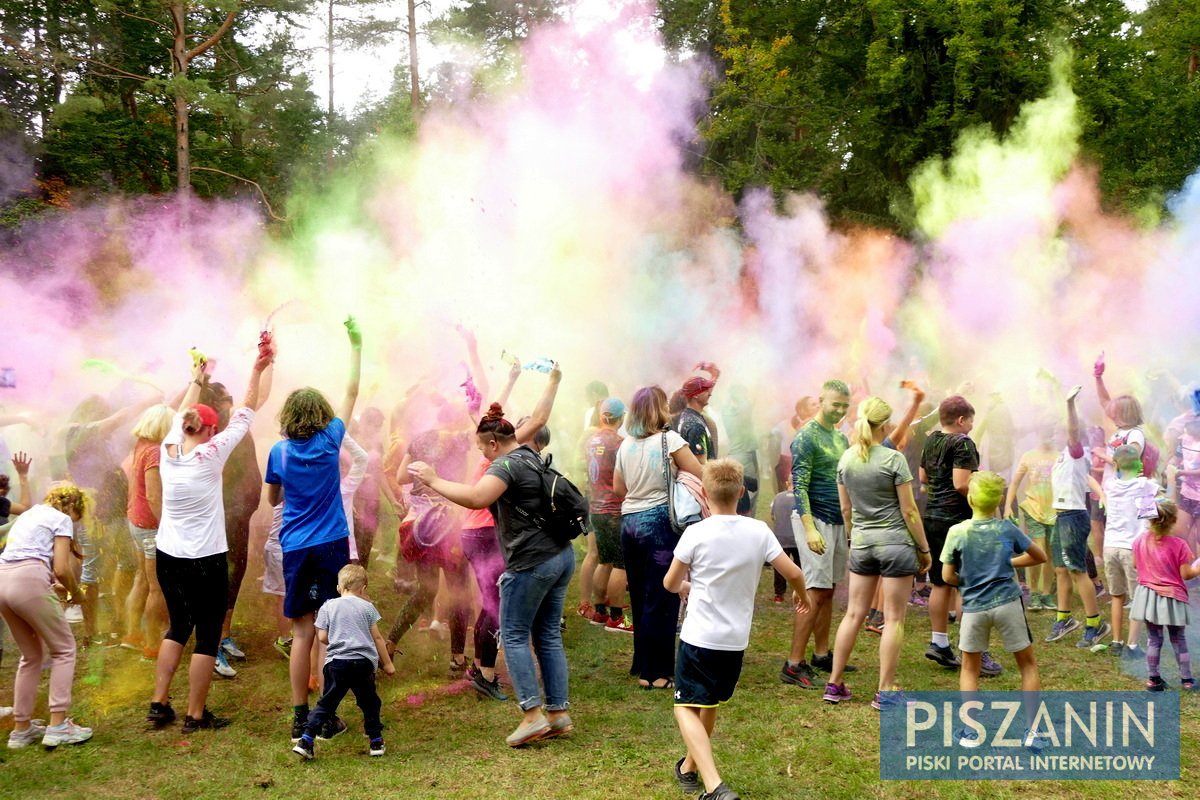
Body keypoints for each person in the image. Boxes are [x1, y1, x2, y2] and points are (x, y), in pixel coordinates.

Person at [410, 391, 579, 749]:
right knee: (546, 635)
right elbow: (540, 414)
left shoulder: (503, 465)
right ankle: (558, 714)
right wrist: (554, 381)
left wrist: (432, 478)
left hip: (532, 561)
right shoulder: (528, 454)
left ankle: (532, 716)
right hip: (561, 555)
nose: (480, 455)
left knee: (515, 634)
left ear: (491, 443)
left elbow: (476, 498)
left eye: (481, 448)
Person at [147, 340, 274, 732]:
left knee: (177, 627)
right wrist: (257, 368)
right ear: (211, 429)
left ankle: (158, 703)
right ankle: (195, 714)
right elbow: (249, 408)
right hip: (206, 559)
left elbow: (182, 410)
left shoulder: (168, 449)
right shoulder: (214, 451)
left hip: (168, 557)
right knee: (205, 637)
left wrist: (196, 377)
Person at [664, 459, 809, 800]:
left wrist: (686, 586)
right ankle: (689, 767)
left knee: (684, 706)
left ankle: (714, 787)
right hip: (734, 641)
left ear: (703, 492)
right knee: (709, 703)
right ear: (741, 493)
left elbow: (670, 582)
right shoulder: (758, 531)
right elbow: (795, 573)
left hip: (699, 636)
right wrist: (801, 598)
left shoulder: (696, 532)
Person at [265, 318, 361, 742]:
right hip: (332, 545)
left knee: (302, 632)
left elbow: (271, 500)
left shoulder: (279, 452)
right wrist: (356, 346)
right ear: (322, 415)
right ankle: (326, 716)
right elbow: (352, 393)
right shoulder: (331, 440)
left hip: (296, 547)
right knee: (331, 630)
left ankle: (301, 716)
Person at [823, 396, 931, 709]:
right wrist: (924, 549)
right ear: (885, 424)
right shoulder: (894, 459)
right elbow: (909, 511)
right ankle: (885, 691)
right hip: (896, 544)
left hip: (863, 543)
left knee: (854, 614)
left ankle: (834, 683)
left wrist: (853, 537)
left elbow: (846, 508)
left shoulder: (846, 460)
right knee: (894, 619)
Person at [942, 472, 1048, 748]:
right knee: (1027, 665)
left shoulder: (958, 532)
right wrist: (1008, 564)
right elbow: (1040, 557)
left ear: (970, 498)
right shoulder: (1006, 529)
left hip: (974, 607)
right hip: (1008, 604)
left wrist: (969, 580)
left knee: (969, 668)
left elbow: (947, 576)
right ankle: (1033, 733)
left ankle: (971, 732)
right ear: (999, 499)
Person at [614, 386, 702, 690]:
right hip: (659, 524)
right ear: (660, 409)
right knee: (663, 597)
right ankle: (657, 673)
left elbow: (618, 488)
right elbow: (699, 472)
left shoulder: (625, 445)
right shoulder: (670, 440)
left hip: (629, 523)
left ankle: (641, 662)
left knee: (638, 595)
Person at [0, 482, 93, 749]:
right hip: (27, 581)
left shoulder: (29, 514)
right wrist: (77, 593)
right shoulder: (61, 518)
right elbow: (62, 568)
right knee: (64, 650)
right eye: (77, 518)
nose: (74, 523)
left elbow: (27, 556)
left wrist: (51, 583)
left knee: (30, 656)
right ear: (73, 506)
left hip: (3, 581)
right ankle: (58, 726)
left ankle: (21, 730)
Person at [781, 380, 851, 689]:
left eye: (845, 406)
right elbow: (800, 485)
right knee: (814, 590)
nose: (840, 410)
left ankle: (822, 654)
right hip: (815, 519)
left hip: (837, 520)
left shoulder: (840, 438)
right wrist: (809, 528)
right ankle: (794, 663)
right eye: (835, 404)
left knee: (828, 589)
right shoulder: (806, 437)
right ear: (822, 401)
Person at [198, 378, 266, 676]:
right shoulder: (211, 435)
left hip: (241, 517)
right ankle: (209, 646)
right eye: (225, 399)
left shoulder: (237, 425)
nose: (230, 402)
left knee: (236, 574)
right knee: (216, 580)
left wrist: (267, 364)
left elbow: (258, 397)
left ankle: (223, 636)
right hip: (220, 516)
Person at [291, 564, 395, 759]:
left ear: (339, 588)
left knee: (326, 704)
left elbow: (321, 637)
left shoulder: (327, 606)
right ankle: (375, 741)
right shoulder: (367, 607)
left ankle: (306, 740)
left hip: (336, 664)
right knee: (369, 702)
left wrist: (339, 640)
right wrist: (387, 664)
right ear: (363, 589)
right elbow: (378, 638)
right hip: (362, 664)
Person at [919, 395, 991, 673]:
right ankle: (971, 648)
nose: (972, 425)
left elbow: (924, 477)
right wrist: (984, 483)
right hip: (957, 520)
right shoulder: (962, 443)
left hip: (933, 516)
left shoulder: (932, 439)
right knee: (965, 583)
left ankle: (939, 642)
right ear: (961, 420)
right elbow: (962, 484)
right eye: (971, 420)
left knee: (939, 582)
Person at [1045, 387, 1110, 649]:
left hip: (1073, 517)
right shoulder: (1064, 456)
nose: (1054, 434)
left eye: (1058, 430)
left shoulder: (1077, 450)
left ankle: (1095, 625)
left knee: (1077, 571)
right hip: (1061, 517)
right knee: (1060, 569)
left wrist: (1069, 404)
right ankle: (1065, 619)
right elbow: (1088, 479)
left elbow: (1073, 432)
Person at [122, 405, 174, 659]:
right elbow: (154, 495)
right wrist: (168, 525)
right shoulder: (154, 451)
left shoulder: (141, 444)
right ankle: (153, 645)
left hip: (135, 521)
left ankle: (132, 635)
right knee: (158, 587)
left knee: (141, 579)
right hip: (150, 526)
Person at [1133, 500, 1200, 690]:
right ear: (1173, 520)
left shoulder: (1139, 540)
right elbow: (1186, 574)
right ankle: (1186, 680)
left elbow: (1135, 565)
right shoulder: (1179, 545)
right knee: (1178, 639)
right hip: (1171, 596)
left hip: (1148, 596)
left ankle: (1153, 679)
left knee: (1154, 639)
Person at [1094, 444, 1154, 654]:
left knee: (1117, 596)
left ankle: (1117, 641)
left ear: (1116, 464)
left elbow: (1099, 483)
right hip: (1133, 549)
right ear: (1139, 464)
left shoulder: (1110, 485)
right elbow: (1149, 517)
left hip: (1110, 547)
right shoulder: (1145, 486)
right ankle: (1133, 644)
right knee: (1138, 598)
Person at [583, 397, 630, 631]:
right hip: (615, 509)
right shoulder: (620, 443)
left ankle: (600, 612)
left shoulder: (591, 440)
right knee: (621, 565)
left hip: (596, 508)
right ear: (621, 418)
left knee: (604, 561)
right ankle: (617, 618)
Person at [1004, 425, 1058, 610]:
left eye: (1051, 435)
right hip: (1033, 508)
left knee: (1050, 553)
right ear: (1038, 434)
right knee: (1038, 549)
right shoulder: (1029, 456)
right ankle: (1034, 592)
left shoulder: (1060, 457)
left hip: (1054, 511)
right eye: (1045, 434)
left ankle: (1046, 594)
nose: (1047, 439)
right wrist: (1007, 507)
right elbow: (1015, 482)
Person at [676, 365, 721, 465]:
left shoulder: (690, 415)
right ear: (696, 395)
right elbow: (702, 466)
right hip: (704, 479)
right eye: (706, 390)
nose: (710, 394)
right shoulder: (695, 426)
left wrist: (715, 376)